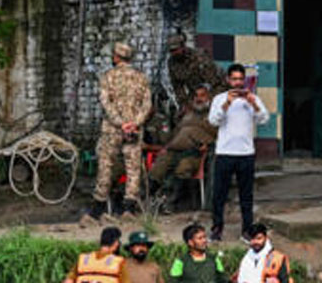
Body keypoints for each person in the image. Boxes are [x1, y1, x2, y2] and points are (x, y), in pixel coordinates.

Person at [84, 42, 152, 221]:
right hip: (134, 130)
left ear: (115, 57)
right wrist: (134, 124)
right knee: (133, 168)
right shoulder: (141, 78)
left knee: (106, 165)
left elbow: (105, 103)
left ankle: (97, 208)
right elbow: (147, 105)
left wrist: (120, 123)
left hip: (112, 130)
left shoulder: (108, 77)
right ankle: (129, 208)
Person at [207, 63, 269, 242]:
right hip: (225, 152)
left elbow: (264, 119)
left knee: (246, 196)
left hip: (246, 153)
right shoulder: (219, 99)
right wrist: (227, 103)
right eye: (234, 79)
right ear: (228, 80)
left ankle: (247, 231)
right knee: (219, 194)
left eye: (240, 79)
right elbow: (213, 121)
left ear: (244, 80)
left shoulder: (252, 98)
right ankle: (217, 229)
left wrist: (253, 104)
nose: (237, 83)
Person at [148, 85, 216, 213]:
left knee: (183, 168)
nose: (199, 99)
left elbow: (217, 135)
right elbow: (175, 134)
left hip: (195, 153)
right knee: (158, 168)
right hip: (174, 150)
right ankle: (150, 199)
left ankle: (170, 203)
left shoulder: (213, 115)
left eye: (203, 95)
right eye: (196, 96)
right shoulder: (187, 115)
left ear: (209, 97)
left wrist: (207, 144)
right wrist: (167, 146)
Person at [165, 33, 220, 103]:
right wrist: (184, 103)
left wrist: (212, 99)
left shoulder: (199, 56)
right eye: (171, 51)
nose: (174, 53)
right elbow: (177, 86)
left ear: (183, 47)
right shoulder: (172, 63)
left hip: (212, 91)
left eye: (176, 49)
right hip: (194, 94)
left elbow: (215, 80)